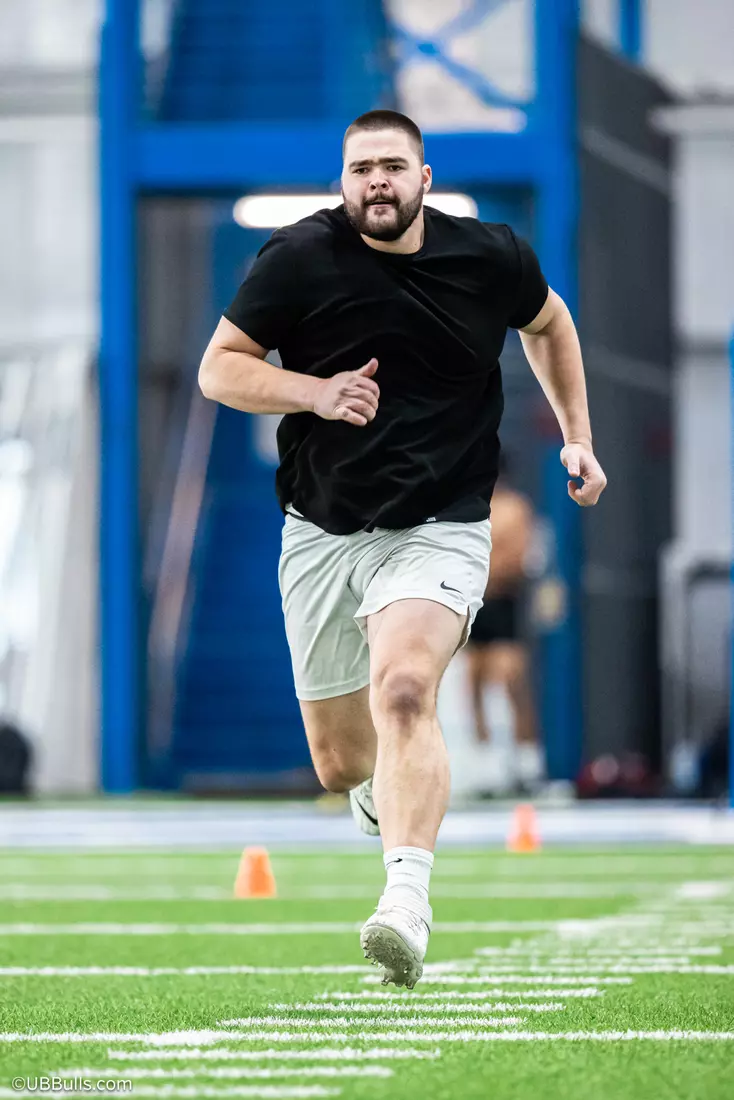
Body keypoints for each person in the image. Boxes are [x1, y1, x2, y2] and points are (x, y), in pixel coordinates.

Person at [198, 109, 607, 988]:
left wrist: (578, 433)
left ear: (424, 176)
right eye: (359, 170)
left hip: (441, 521)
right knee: (344, 761)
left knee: (408, 687)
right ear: (341, 183)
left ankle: (405, 905)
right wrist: (313, 391)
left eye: (391, 166)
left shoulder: (490, 255)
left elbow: (551, 325)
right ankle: (388, 802)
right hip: (320, 528)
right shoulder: (298, 259)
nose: (375, 183)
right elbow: (219, 368)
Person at [465, 461, 542, 794]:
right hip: (471, 600)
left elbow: (517, 561)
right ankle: (485, 767)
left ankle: (527, 763)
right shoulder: (468, 507)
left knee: (511, 679)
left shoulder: (514, 509)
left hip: (502, 602)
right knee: (474, 682)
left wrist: (491, 575)